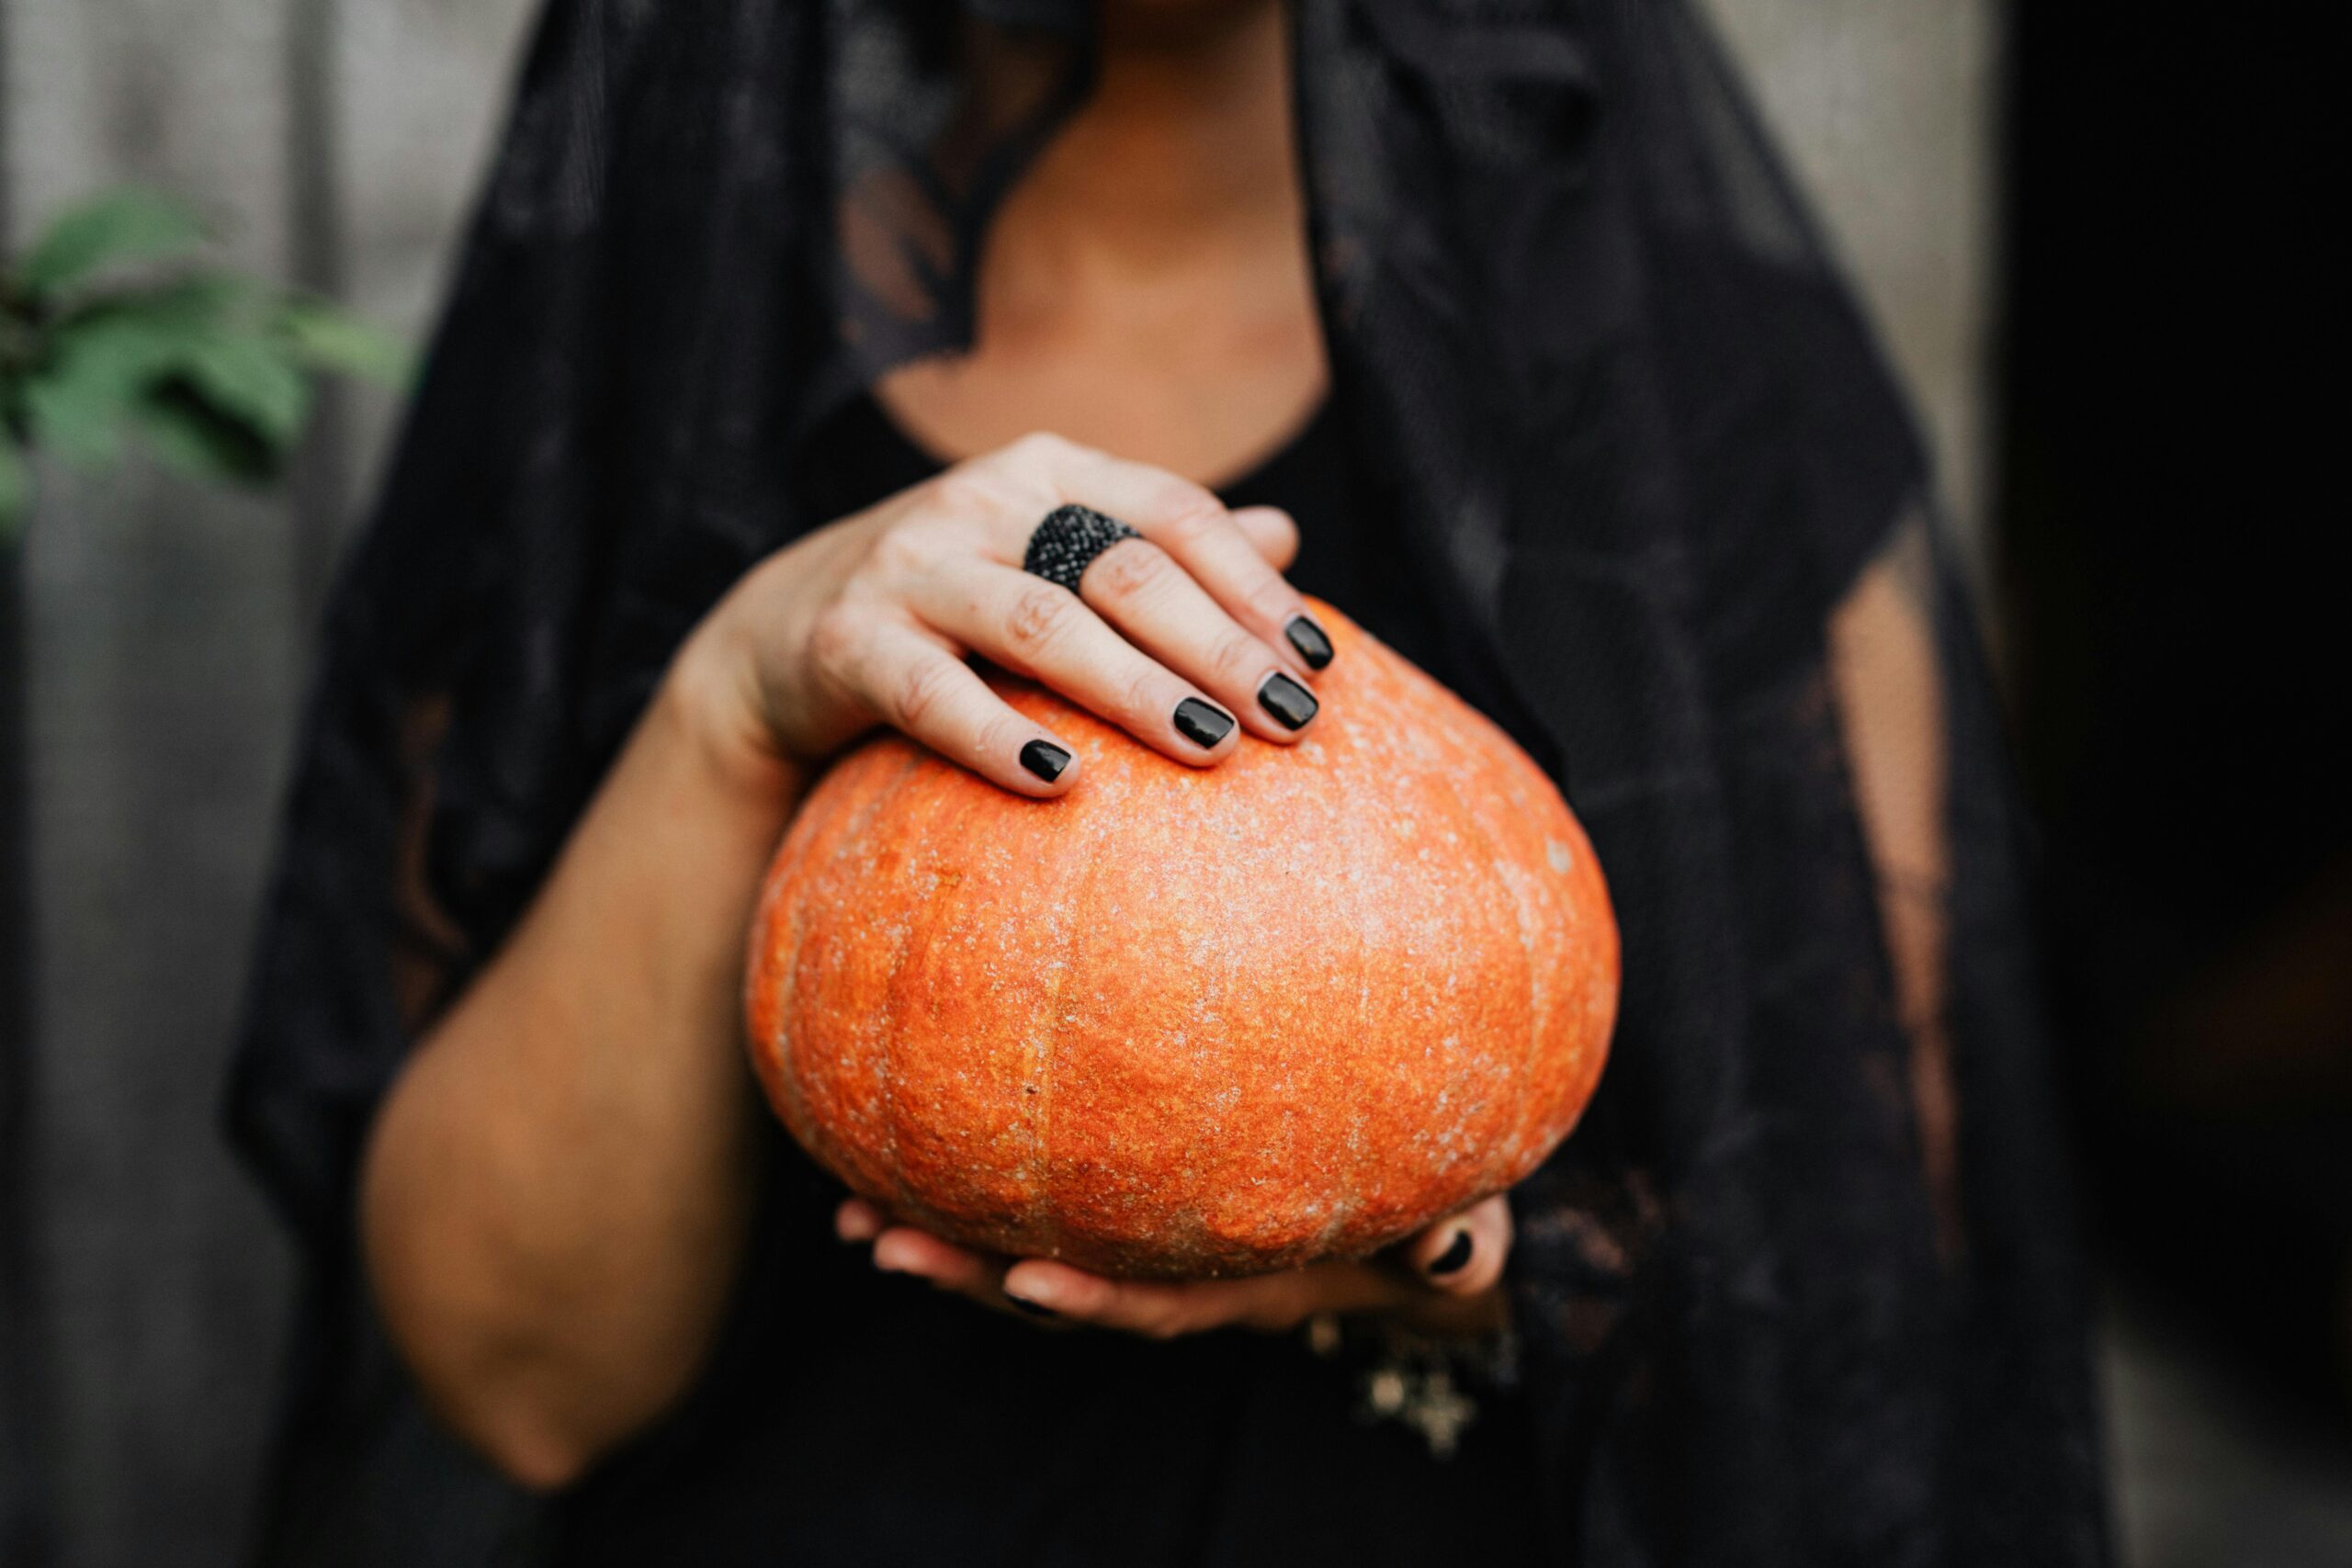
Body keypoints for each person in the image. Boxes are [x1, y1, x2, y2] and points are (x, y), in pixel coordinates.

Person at [226, 3, 2109, 1564]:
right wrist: (744, 682)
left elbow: (1876, 1256)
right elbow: (514, 1376)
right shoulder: (652, 344)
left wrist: (1474, 1270)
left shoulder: (1701, 384)